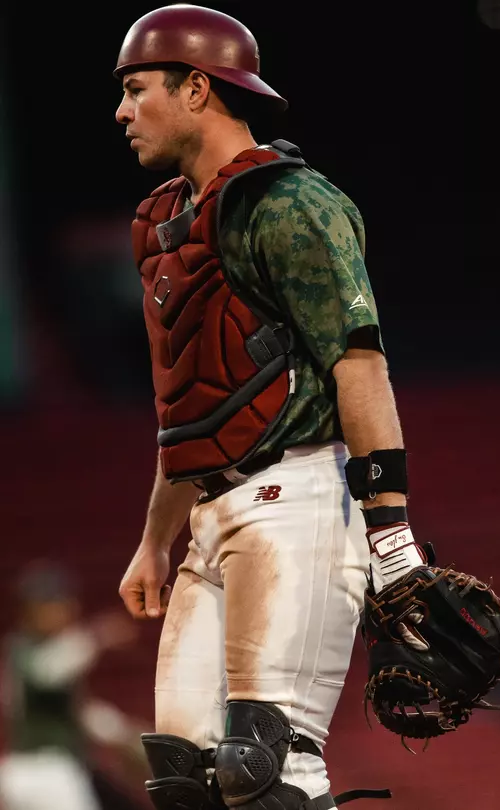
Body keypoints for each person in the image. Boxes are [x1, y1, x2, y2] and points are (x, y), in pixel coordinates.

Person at [115, 5, 425, 808]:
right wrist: (154, 541)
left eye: (136, 88)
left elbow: (360, 367)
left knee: (268, 775)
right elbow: (192, 406)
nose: (121, 111)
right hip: (208, 519)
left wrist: (390, 529)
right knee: (184, 783)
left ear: (195, 87)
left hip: (298, 503)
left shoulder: (292, 203)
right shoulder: (163, 223)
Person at [0, 561, 146, 810]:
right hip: (41, 772)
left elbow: (79, 710)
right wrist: (99, 635)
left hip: (56, 771)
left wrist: (124, 733)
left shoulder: (50, 652)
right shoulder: (22, 649)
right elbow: (49, 671)